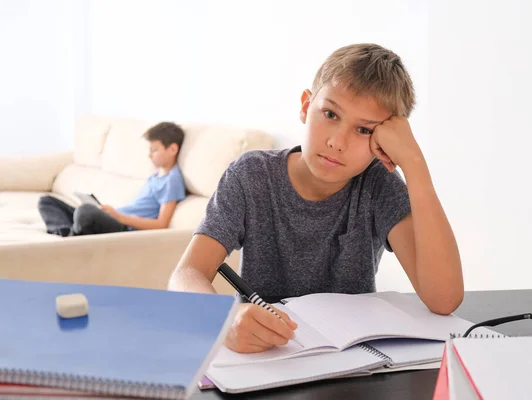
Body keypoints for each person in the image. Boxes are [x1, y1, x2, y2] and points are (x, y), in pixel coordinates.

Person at [169, 43, 464, 354]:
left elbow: (444, 299)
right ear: (305, 106)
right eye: (330, 113)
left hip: (352, 363)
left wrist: (414, 163)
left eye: (364, 130)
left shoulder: (380, 186)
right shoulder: (251, 176)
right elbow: (186, 274)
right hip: (267, 356)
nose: (337, 142)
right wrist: (223, 320)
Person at [37, 122, 186, 236]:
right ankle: (68, 233)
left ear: (172, 149)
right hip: (115, 218)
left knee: (85, 211)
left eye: (154, 150)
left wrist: (119, 217)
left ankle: (75, 232)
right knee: (47, 201)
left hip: (123, 227)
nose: (149, 155)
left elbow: (162, 224)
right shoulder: (155, 176)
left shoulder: (171, 180)